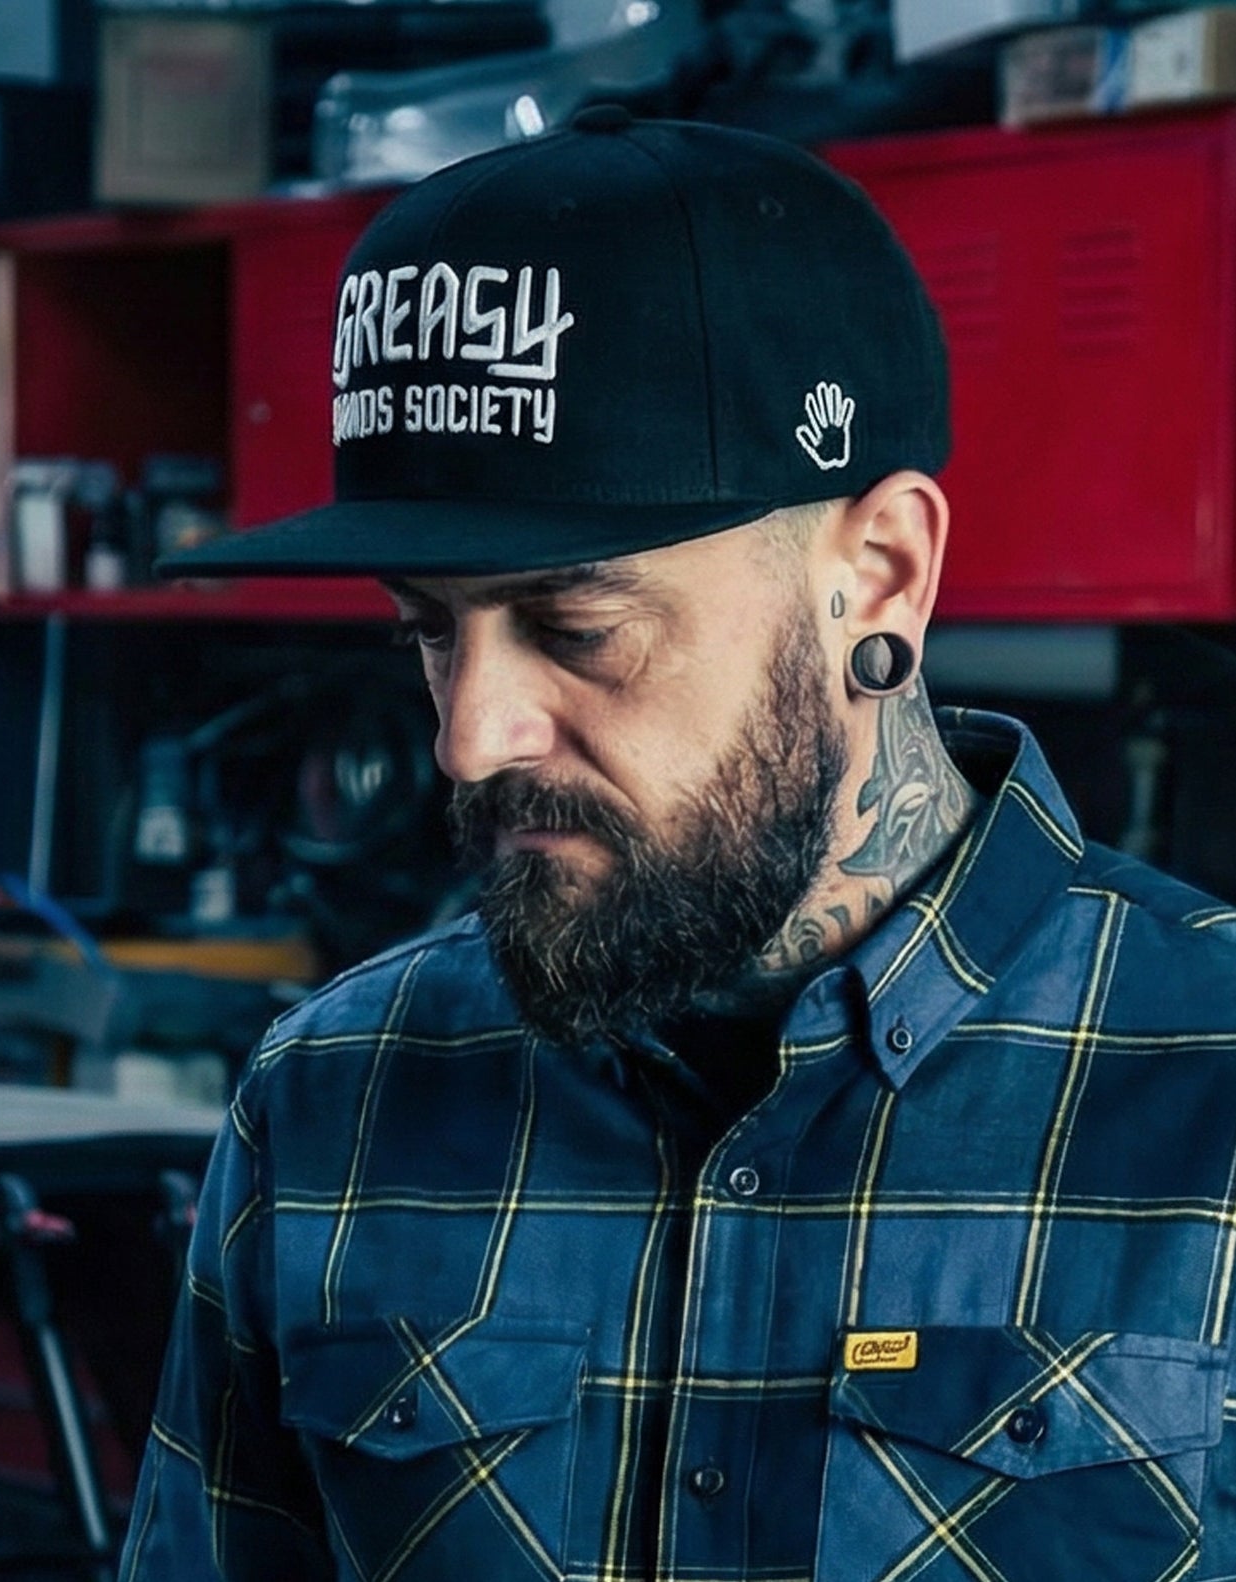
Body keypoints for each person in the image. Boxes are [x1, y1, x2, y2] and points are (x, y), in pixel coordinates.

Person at [120, 108, 1236, 1582]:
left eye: (576, 627)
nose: (470, 735)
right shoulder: (333, 1101)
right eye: (427, 631)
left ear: (881, 572)